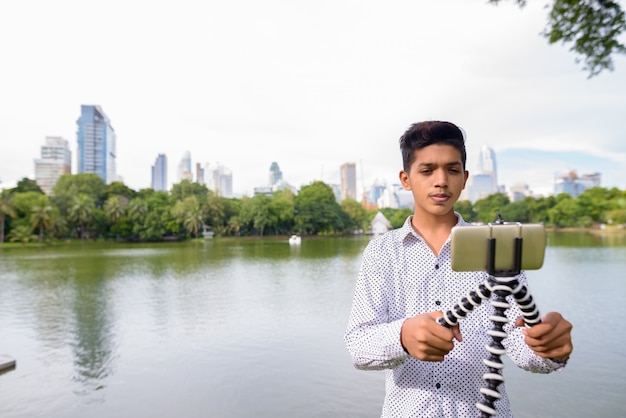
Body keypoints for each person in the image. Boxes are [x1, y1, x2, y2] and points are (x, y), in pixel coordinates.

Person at [344, 121, 573, 417]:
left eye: (452, 170)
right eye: (427, 171)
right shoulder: (382, 252)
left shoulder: (498, 247)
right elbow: (358, 346)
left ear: (464, 178)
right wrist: (403, 336)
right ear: (406, 179)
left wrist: (549, 348)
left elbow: (518, 341)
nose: (441, 181)